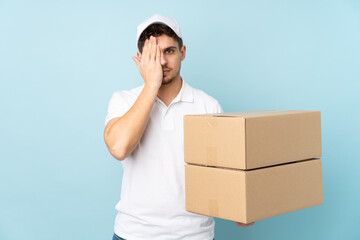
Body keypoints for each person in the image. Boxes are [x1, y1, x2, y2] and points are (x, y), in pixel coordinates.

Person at [104, 14, 254, 240]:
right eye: (152, 54)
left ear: (182, 52)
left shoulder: (207, 105)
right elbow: (119, 148)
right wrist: (151, 85)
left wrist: (239, 206)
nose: (162, 62)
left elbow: (222, 171)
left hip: (193, 234)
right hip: (134, 233)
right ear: (140, 58)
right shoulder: (123, 100)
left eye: (169, 51)